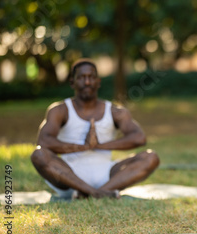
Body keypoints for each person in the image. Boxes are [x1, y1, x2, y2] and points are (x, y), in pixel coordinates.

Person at [31, 58, 160, 199]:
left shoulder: (115, 111)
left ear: (98, 82)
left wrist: (99, 145)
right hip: (68, 179)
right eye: (81, 77)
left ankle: (93, 193)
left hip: (108, 176)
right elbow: (44, 141)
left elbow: (139, 138)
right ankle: (96, 193)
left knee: (150, 157)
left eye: (91, 77)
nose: (87, 82)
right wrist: (83, 146)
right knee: (39, 155)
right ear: (72, 82)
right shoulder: (59, 110)